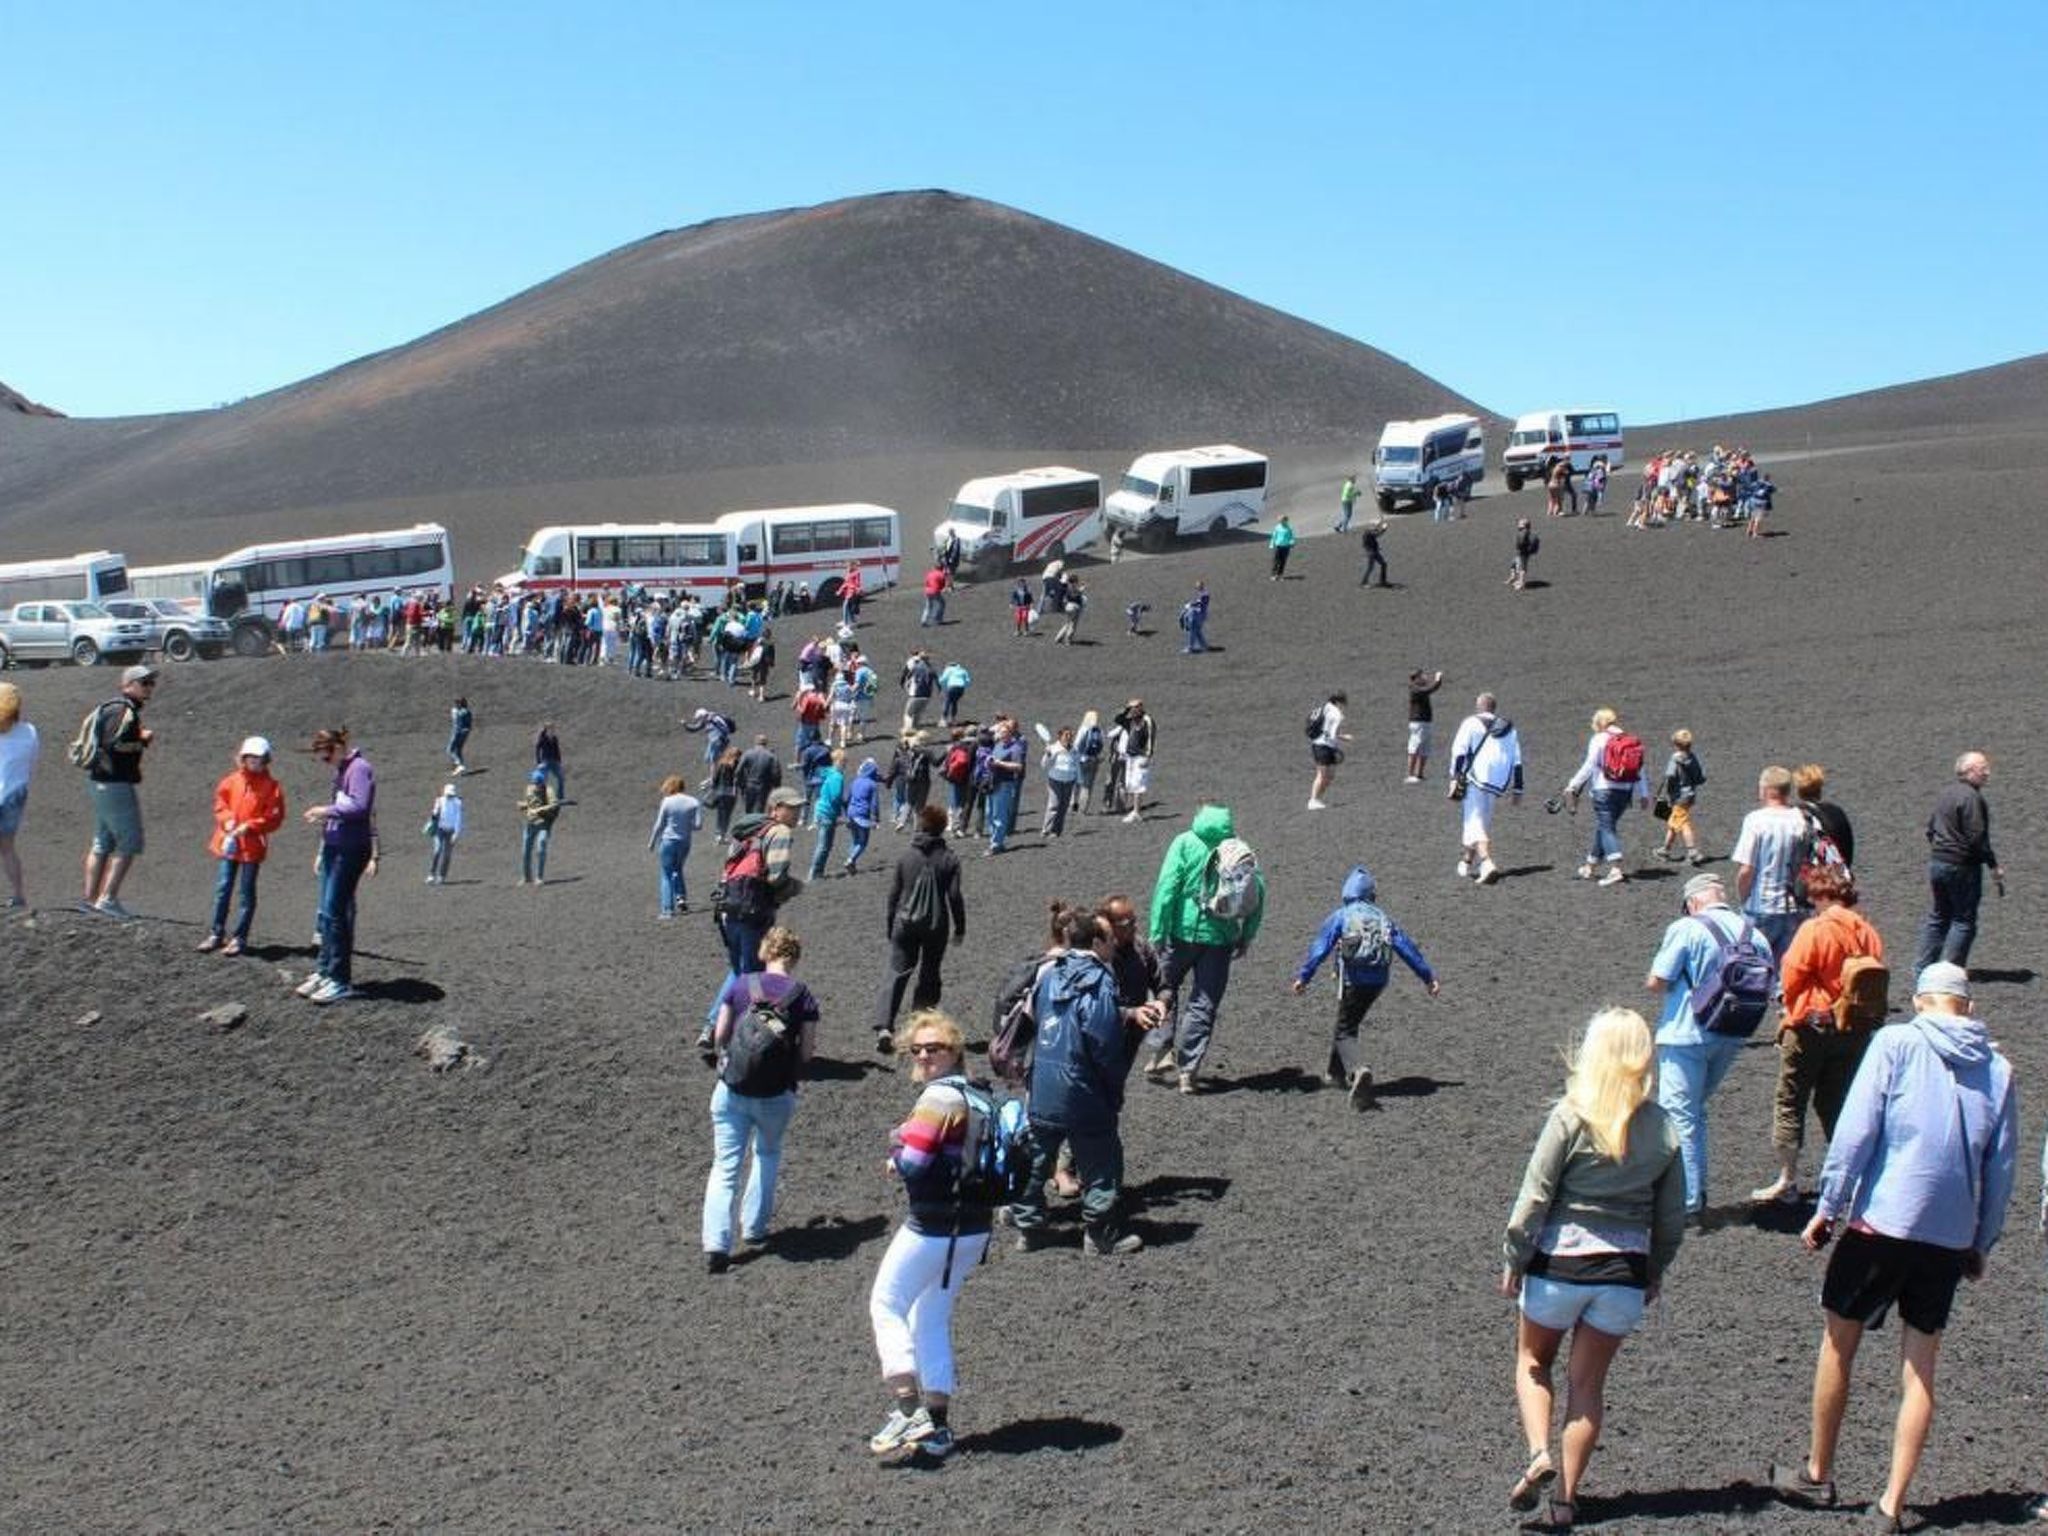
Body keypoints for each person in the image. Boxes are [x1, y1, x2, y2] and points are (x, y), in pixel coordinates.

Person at [1772, 963, 2018, 1530]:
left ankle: (1818, 1474)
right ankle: (1892, 1504)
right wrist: (1981, 1242)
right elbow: (2000, 1171)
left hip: (1882, 1223)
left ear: (1918, 1000)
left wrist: (1827, 1208)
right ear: (1968, 1009)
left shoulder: (1897, 1042)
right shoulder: (1999, 1070)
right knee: (1920, 1367)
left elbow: (1857, 1132)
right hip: (1949, 1237)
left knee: (1839, 1341)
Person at [1501, 1008, 1684, 1533]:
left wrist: (1515, 1258)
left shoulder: (1571, 1115)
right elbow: (1672, 1219)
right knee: (1588, 1387)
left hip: (1560, 1266)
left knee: (1534, 1361)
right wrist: (1654, 1272)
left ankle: (1539, 1453)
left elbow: (1534, 1198)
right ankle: (1565, 1500)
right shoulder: (1664, 1126)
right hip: (1623, 1276)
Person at [867, 1010, 994, 1461]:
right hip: (975, 1227)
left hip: (934, 1225)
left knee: (886, 1302)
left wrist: (897, 1148)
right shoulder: (980, 1094)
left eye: (933, 1048)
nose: (923, 1055)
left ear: (954, 1051)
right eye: (916, 1049)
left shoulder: (938, 1098)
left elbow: (916, 1162)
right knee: (930, 1315)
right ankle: (938, 1426)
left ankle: (907, 1407)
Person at [1012, 906, 1146, 1256]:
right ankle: (1100, 1234)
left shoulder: (1049, 974)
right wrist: (1111, 1088)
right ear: (1098, 941)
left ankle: (1029, 1229)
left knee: (1036, 1158)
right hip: (1082, 1089)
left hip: (1042, 1082)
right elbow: (1103, 1040)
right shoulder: (1099, 981)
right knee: (1101, 1159)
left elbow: (1037, 1018)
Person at [1751, 865, 1887, 1206]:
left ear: (1823, 895)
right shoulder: (1868, 932)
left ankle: (1788, 1180)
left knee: (1790, 1101)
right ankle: (1849, 1178)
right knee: (1837, 1102)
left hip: (1811, 1026)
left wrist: (1788, 1004)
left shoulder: (1815, 928)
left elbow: (1792, 974)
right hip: (1854, 1029)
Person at [1646, 871, 1778, 1217]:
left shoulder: (1686, 928)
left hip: (1686, 1034)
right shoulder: (1756, 934)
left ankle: (1686, 1201)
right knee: (1695, 1112)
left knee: (1680, 1115)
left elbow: (1657, 981)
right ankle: (1696, 1190)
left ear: (1692, 903)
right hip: (1732, 1034)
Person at [702, 926, 819, 1273]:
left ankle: (716, 1245)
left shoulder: (741, 985)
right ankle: (754, 1229)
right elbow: (809, 1053)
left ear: (765, 951)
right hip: (775, 1093)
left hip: (732, 1089)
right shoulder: (802, 996)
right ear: (794, 958)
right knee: (766, 1155)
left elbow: (721, 1035)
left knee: (725, 1167)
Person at [1289, 865, 1439, 1104]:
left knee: (1344, 1030)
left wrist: (1303, 977)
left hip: (1354, 979)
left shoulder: (1342, 915)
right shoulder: (1382, 917)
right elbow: (1406, 947)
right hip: (1378, 981)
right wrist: (1428, 977)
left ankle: (1359, 1069)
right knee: (1348, 1022)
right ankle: (1335, 1074)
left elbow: (1320, 948)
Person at [1142, 804, 1264, 1094]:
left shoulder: (1184, 842)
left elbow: (1167, 887)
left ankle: (1160, 1051)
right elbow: (1258, 893)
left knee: (1163, 988)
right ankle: (1188, 1070)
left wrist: (1157, 931)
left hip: (1181, 934)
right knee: (1204, 1003)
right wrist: (1246, 935)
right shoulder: (1238, 848)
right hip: (1220, 938)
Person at [873, 804, 967, 1048]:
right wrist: (960, 927)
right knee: (930, 973)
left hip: (904, 923)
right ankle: (919, 1024)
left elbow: (893, 895)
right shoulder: (950, 859)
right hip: (937, 925)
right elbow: (955, 897)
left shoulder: (906, 857)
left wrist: (890, 924)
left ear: (921, 826)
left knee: (896, 972)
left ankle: (884, 1026)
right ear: (943, 828)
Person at [298, 727, 377, 1005]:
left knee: (335, 912)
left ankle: (340, 979)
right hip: (335, 846)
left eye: (328, 753)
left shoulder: (359, 768)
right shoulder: (342, 771)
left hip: (350, 849)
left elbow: (360, 807)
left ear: (341, 745)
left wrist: (325, 811)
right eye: (322, 757)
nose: (327, 760)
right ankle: (324, 970)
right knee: (326, 912)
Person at [78, 664, 158, 919]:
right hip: (114, 783)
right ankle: (107, 898)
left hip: (101, 782)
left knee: (103, 841)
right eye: (143, 682)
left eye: (150, 683)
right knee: (130, 841)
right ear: (127, 686)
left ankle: (90, 900)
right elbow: (115, 745)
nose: (148, 687)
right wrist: (142, 741)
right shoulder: (123, 710)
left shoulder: (117, 708)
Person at [1915, 750, 2001, 971]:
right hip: (1962, 866)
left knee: (1939, 917)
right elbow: (1977, 837)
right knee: (1963, 921)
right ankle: (1950, 971)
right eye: (1983, 769)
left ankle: (1923, 968)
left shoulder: (1946, 794)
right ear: (1970, 771)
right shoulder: (1972, 798)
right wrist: (1993, 865)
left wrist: (1941, 851)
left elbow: (1930, 830)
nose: (1987, 773)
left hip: (1938, 862)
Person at [198, 737, 287, 952]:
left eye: (258, 759)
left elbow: (274, 817)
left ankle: (240, 937)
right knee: (223, 888)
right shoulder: (231, 781)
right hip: (229, 842)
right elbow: (221, 804)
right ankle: (216, 933)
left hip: (251, 846)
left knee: (246, 892)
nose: (254, 763)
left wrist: (250, 826)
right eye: (250, 758)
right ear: (243, 759)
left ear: (266, 760)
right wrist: (227, 820)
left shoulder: (272, 787)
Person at [1564, 708, 1651, 887]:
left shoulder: (1599, 739)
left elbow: (1590, 765)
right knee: (1605, 826)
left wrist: (1573, 784)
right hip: (1625, 792)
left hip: (1604, 790)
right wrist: (1644, 793)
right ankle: (1590, 866)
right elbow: (1640, 768)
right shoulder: (1630, 740)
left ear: (1599, 723)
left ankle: (1615, 868)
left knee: (1607, 828)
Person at [1732, 764, 1810, 959]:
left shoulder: (1755, 820)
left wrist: (1744, 899)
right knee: (1788, 972)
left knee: (1753, 971)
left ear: (1766, 790)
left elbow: (1746, 870)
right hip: (1794, 907)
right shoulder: (1801, 820)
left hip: (1761, 907)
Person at [1448, 693, 1523, 885]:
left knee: (1474, 822)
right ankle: (1467, 860)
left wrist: (1455, 778)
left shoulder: (1470, 723)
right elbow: (1517, 761)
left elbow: (1459, 752)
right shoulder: (1509, 729)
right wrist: (1518, 789)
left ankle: (1487, 863)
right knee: (1482, 822)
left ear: (1478, 707)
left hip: (1474, 779)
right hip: (1497, 783)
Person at [0, 682, 39, 909]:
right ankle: (18, 895)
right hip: (16, 794)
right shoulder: (29, 731)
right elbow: (32, 761)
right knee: (7, 848)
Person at [649, 774, 704, 917]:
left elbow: (659, 824)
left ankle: (667, 910)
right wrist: (686, 825)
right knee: (678, 869)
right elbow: (698, 826)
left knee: (666, 874)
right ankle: (681, 898)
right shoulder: (693, 802)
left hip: (668, 841)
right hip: (685, 842)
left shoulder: (667, 801)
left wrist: (652, 842)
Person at [1654, 729, 1707, 864]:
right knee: (1674, 822)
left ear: (1676, 744)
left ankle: (1692, 851)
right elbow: (1699, 777)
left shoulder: (1675, 758)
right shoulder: (1692, 757)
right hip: (1690, 795)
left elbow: (1669, 775)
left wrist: (1660, 792)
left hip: (1679, 797)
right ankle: (1665, 850)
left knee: (1683, 823)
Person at [984, 718, 1025, 856]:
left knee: (998, 814)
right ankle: (994, 840)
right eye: (1000, 732)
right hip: (992, 781)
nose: (1001, 735)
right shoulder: (997, 745)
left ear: (1010, 733)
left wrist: (1000, 764)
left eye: (1004, 732)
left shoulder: (1016, 747)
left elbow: (1019, 767)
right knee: (989, 813)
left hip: (1005, 783)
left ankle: (996, 844)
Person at [517, 768, 562, 886]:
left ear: (542, 783)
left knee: (541, 846)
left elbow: (554, 805)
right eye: (533, 782)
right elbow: (530, 803)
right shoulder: (529, 789)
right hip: (530, 823)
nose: (535, 786)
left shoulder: (549, 791)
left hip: (543, 824)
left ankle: (539, 877)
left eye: (537, 783)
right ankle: (526, 877)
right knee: (525, 850)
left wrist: (539, 810)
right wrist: (524, 805)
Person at [1306, 691, 1351, 810]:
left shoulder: (1324, 707)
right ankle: (1313, 800)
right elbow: (1333, 734)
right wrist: (1344, 737)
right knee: (1322, 775)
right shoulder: (1337, 714)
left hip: (1320, 745)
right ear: (1339, 702)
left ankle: (1317, 799)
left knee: (1330, 775)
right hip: (1323, 746)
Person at [1116, 699, 1156, 824]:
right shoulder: (1131, 721)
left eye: (1135, 708)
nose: (1133, 710)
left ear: (1141, 707)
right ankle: (1134, 810)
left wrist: (1148, 757)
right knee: (1131, 784)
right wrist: (1126, 708)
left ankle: (1136, 812)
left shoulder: (1147, 720)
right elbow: (1118, 719)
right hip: (1130, 757)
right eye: (1131, 708)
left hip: (1141, 757)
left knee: (1139, 784)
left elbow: (1150, 738)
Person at [844, 757, 882, 875]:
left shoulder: (855, 781)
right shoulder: (872, 784)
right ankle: (850, 860)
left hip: (851, 813)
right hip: (861, 815)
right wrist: (876, 819)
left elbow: (846, 799)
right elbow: (874, 804)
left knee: (855, 840)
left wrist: (846, 813)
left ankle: (852, 864)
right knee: (863, 842)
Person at [1405, 668, 1443, 784]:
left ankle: (1419, 774)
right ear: (1416, 678)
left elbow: (1429, 688)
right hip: (1418, 722)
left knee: (1424, 748)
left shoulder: (1419, 688)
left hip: (1426, 722)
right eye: (1422, 676)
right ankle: (1410, 774)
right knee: (1415, 747)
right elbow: (1430, 689)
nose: (1425, 677)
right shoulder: (1414, 688)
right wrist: (1438, 680)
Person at [735, 734, 782, 815]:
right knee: (759, 809)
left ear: (755, 742)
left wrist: (741, 784)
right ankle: (756, 826)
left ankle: (749, 825)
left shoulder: (748, 754)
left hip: (749, 784)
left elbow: (739, 770)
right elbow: (776, 773)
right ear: (766, 743)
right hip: (764, 786)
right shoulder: (771, 756)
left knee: (748, 809)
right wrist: (776, 786)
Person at [533, 721, 564, 800]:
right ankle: (542, 797)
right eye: (551, 729)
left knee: (561, 777)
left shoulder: (554, 738)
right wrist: (539, 762)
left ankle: (560, 796)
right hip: (545, 761)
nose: (552, 731)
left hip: (554, 761)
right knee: (543, 779)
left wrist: (559, 762)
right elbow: (537, 750)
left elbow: (557, 750)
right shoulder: (542, 738)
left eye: (553, 729)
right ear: (546, 729)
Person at [1179, 580, 1211, 653]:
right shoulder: (1204, 593)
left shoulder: (1204, 594)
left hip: (1198, 615)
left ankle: (1190, 647)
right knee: (1198, 631)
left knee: (1192, 632)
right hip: (1200, 615)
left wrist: (1190, 605)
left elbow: (1200, 604)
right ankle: (1204, 645)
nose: (1197, 589)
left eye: (1198, 587)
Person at [1509, 519, 1539, 590]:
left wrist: (1519, 547)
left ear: (1524, 526)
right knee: (1515, 564)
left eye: (1519, 524)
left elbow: (1521, 542)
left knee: (1521, 568)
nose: (1518, 525)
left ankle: (1521, 583)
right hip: (1524, 552)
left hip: (1523, 552)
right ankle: (1516, 580)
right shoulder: (1526, 532)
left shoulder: (1523, 532)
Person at [446, 697, 472, 774]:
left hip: (457, 732)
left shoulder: (456, 711)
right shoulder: (467, 711)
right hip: (466, 732)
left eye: (457, 703)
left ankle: (459, 764)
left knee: (450, 750)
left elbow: (457, 716)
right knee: (458, 750)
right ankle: (461, 769)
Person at [1359, 522, 1389, 588]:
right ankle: (1363, 582)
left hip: (1374, 551)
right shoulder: (1369, 533)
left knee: (1383, 564)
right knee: (1370, 568)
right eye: (1374, 527)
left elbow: (1375, 535)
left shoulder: (1368, 532)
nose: (1375, 528)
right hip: (1371, 553)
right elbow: (1378, 534)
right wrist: (1384, 528)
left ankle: (1382, 581)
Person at [919, 562, 948, 628]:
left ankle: (923, 620)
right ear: (941, 568)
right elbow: (943, 585)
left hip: (927, 591)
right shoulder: (941, 574)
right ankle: (938, 619)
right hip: (935, 591)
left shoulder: (930, 573)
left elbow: (926, 583)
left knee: (928, 606)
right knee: (942, 603)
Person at [1268, 515, 1296, 580]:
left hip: (1286, 547)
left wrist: (1292, 542)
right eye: (1280, 521)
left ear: (1286, 520)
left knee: (1283, 561)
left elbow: (1291, 537)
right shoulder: (1277, 527)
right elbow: (1274, 536)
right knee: (1276, 561)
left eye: (1282, 520)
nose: (1281, 522)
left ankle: (1280, 575)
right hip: (1278, 546)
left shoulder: (1288, 528)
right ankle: (1273, 575)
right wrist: (1271, 544)